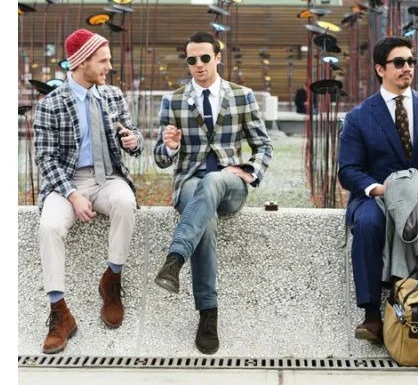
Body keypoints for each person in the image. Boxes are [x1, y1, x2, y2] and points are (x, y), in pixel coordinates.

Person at [337, 36, 418, 360]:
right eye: (399, 62)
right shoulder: (358, 117)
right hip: (380, 195)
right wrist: (378, 189)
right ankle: (371, 315)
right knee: (367, 225)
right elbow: (348, 171)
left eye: (411, 61)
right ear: (380, 69)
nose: (407, 68)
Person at [152, 31, 273, 355]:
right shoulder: (174, 100)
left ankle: (175, 259)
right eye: (191, 59)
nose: (199, 65)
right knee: (203, 212)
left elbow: (263, 145)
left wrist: (249, 171)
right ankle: (208, 314)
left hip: (229, 184)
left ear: (218, 58)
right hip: (189, 182)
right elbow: (160, 159)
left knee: (214, 181)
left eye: (205, 58)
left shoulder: (242, 96)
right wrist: (169, 146)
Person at [34, 28, 144, 354]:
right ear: (82, 62)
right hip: (66, 182)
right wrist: (72, 194)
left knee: (125, 203)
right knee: (49, 227)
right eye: (103, 61)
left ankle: (112, 279)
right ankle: (59, 312)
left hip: (107, 178)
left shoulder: (112, 95)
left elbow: (134, 137)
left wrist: (133, 140)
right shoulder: (50, 104)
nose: (109, 67)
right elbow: (45, 158)